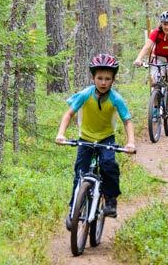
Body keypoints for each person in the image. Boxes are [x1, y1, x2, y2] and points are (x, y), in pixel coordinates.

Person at [55, 53, 136, 230]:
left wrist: (131, 142)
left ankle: (111, 201)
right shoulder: (85, 95)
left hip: (106, 138)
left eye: (108, 78)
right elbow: (69, 114)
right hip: (85, 138)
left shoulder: (116, 99)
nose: (103, 82)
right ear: (93, 78)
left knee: (109, 165)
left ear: (113, 80)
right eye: (99, 78)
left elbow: (127, 121)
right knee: (80, 174)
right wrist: (61, 134)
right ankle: (73, 211)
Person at [134, 10, 168, 114]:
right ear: (161, 23)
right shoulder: (156, 32)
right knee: (154, 80)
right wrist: (138, 58)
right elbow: (147, 46)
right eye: (165, 24)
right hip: (158, 58)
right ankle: (156, 107)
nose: (167, 27)